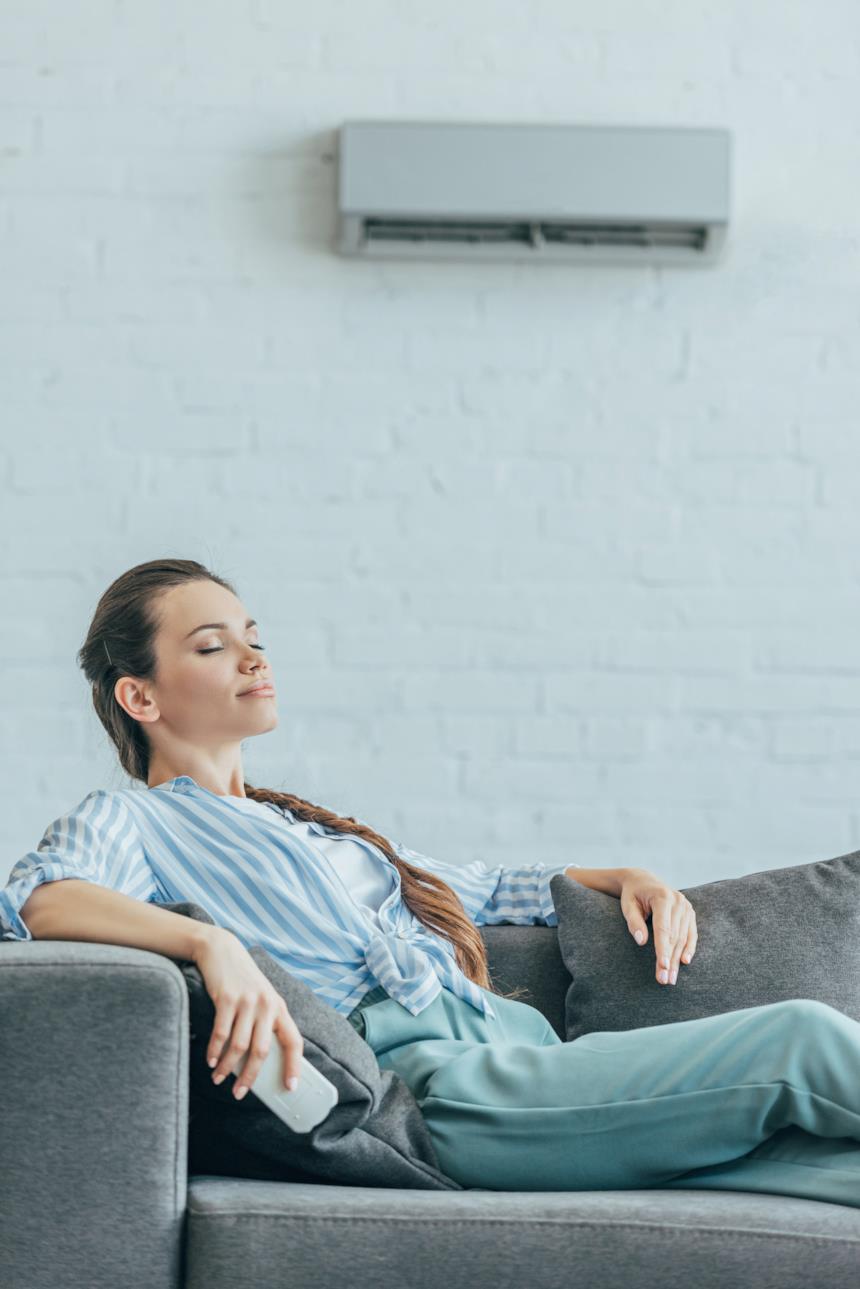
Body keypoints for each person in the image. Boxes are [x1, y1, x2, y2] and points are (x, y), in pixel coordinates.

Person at [3, 557, 860, 1207]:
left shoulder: (306, 824)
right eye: (211, 645)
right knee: (800, 1039)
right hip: (443, 1088)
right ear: (140, 697)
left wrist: (628, 876)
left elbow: (484, 889)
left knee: (828, 1165)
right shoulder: (137, 819)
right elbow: (40, 900)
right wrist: (209, 940)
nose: (252, 656)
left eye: (253, 636)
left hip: (520, 1048)